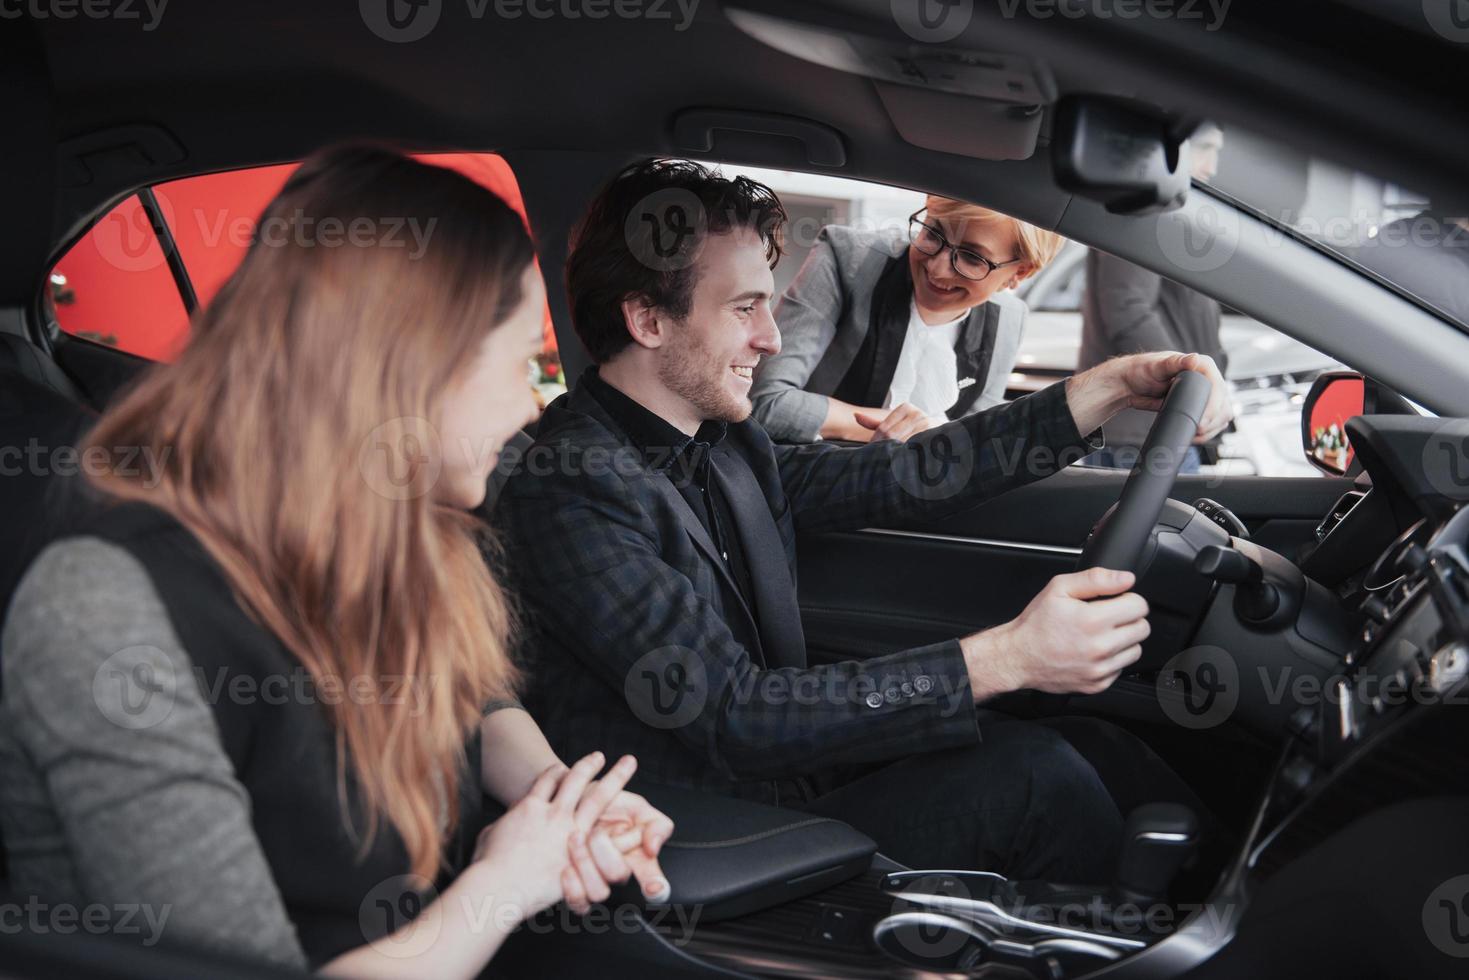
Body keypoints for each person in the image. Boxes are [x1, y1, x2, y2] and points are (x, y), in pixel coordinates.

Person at [0, 147, 673, 978]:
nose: (531, 403)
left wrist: (558, 802)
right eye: (519, 366)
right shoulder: (108, 608)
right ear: (410, 368)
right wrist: (507, 881)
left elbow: (469, 699)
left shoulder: (396, 534)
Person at [496, 159, 1232, 885]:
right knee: (1040, 780)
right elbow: (733, 714)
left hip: (788, 774)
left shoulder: (721, 445)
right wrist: (1007, 658)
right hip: (710, 829)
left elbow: (905, 474)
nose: (771, 339)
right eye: (743, 308)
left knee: (1089, 741)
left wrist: (1103, 390)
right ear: (647, 319)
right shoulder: (571, 489)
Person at [750, 196, 1064, 444]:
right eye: (933, 234)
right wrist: (910, 431)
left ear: (1020, 273)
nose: (938, 270)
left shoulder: (1009, 320)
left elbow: (976, 439)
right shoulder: (847, 258)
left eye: (972, 258)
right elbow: (766, 403)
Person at [1079, 123, 1229, 472]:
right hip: (1141, 434)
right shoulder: (1140, 211)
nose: (1213, 165)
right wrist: (1191, 379)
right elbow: (1128, 309)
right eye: (1205, 147)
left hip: (1157, 428)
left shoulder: (1167, 215)